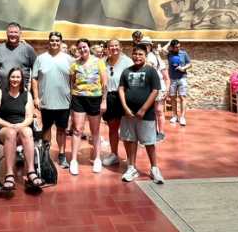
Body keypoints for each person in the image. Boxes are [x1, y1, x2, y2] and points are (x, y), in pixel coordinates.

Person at [117, 43, 166, 184]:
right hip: (128, 114)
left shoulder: (151, 71)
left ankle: (154, 168)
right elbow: (121, 89)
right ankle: (131, 167)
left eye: (140, 54)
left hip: (146, 115)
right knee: (130, 140)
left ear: (145, 56)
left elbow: (155, 91)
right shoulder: (126, 71)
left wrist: (143, 109)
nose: (137, 57)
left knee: (149, 142)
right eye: (135, 54)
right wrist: (125, 108)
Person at [0, 68, 41, 192]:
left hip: (21, 128)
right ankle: (9, 174)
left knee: (27, 131)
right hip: (4, 129)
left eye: (18, 77)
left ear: (22, 79)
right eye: (13, 77)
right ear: (8, 78)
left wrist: (20, 125)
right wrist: (8, 125)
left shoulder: (26, 94)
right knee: (11, 133)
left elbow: (29, 117)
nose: (15, 79)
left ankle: (31, 172)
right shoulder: (1, 93)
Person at [31, 32, 73, 176]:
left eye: (57, 40)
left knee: (62, 129)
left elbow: (74, 79)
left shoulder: (69, 59)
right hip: (46, 101)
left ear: (61, 42)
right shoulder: (40, 58)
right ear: (49, 42)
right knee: (46, 128)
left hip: (64, 101)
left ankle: (61, 155)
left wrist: (73, 96)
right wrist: (36, 97)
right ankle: (46, 154)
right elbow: (34, 78)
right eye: (52, 40)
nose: (54, 42)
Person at [67, 38, 106, 176]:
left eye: (85, 47)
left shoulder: (99, 62)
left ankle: (97, 159)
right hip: (78, 98)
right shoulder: (74, 64)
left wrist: (104, 100)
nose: (83, 50)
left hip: (95, 98)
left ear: (89, 48)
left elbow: (104, 83)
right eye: (80, 48)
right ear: (77, 50)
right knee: (77, 130)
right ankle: (73, 160)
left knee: (95, 131)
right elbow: (72, 82)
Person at [99, 38, 134, 173]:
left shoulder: (127, 62)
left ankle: (130, 160)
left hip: (124, 97)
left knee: (126, 130)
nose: (113, 48)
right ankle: (114, 154)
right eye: (111, 46)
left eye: (116, 46)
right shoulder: (103, 63)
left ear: (120, 47)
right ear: (107, 48)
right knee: (113, 127)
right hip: (110, 97)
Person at [166, 39, 192, 126]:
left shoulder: (183, 53)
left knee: (182, 97)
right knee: (173, 98)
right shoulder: (169, 54)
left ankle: (182, 117)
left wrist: (183, 68)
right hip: (172, 79)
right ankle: (174, 116)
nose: (178, 48)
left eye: (179, 46)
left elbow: (190, 64)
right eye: (176, 47)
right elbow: (161, 50)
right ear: (172, 47)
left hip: (182, 78)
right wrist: (168, 43)